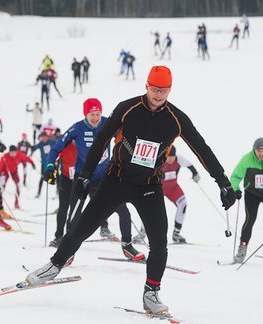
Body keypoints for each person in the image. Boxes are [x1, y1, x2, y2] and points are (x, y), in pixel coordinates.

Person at [24, 66, 236, 316]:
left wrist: (222, 181)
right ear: (146, 86)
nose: (158, 94)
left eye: (164, 90)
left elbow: (202, 148)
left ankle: (151, 293)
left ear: (170, 90)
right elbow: (102, 138)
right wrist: (84, 175)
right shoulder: (127, 108)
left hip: (149, 186)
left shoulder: (176, 118)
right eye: (155, 89)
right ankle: (54, 265)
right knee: (82, 226)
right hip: (117, 180)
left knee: (159, 242)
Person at [42, 98, 145, 259]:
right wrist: (49, 167)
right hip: (83, 177)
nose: (95, 118)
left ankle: (127, 246)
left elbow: (127, 140)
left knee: (123, 211)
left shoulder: (108, 123)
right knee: (75, 216)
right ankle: (67, 252)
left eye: (98, 114)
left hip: (105, 178)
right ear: (85, 114)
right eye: (92, 114)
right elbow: (56, 148)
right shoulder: (77, 128)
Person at [134, 146, 201, 244]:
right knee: (149, 208)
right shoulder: (159, 160)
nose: (170, 159)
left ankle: (176, 234)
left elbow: (190, 165)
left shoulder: (179, 159)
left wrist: (195, 174)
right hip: (158, 189)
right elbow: (148, 171)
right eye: (168, 157)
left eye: (172, 157)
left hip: (173, 188)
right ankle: (142, 233)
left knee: (183, 204)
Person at [49, 141, 78, 247]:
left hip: (79, 180)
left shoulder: (84, 145)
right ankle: (59, 236)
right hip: (66, 179)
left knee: (75, 209)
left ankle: (71, 236)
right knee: (63, 208)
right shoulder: (66, 146)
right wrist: (51, 170)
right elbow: (54, 157)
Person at [31, 132, 55, 198]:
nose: (44, 138)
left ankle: (58, 191)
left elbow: (58, 146)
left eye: (45, 137)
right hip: (44, 164)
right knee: (42, 177)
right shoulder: (40, 144)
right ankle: (38, 192)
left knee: (56, 176)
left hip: (53, 163)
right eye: (42, 137)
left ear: (47, 137)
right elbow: (34, 148)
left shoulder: (51, 142)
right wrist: (32, 147)